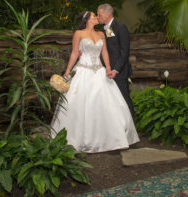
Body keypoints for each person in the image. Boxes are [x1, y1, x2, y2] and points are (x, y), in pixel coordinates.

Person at [50, 11, 139, 153]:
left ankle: (111, 138)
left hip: (99, 71)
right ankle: (79, 139)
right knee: (80, 104)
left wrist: (108, 68)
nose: (97, 17)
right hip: (83, 71)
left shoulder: (101, 34)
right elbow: (74, 53)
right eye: (93, 16)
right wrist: (67, 71)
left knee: (108, 104)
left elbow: (105, 53)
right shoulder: (79, 34)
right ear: (87, 20)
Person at [97, 3, 135, 119]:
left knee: (124, 98)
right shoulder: (104, 30)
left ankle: (132, 124)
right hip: (107, 71)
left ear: (107, 14)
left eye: (99, 14)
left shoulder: (120, 27)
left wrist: (116, 69)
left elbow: (124, 51)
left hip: (120, 71)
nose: (98, 17)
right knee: (113, 101)